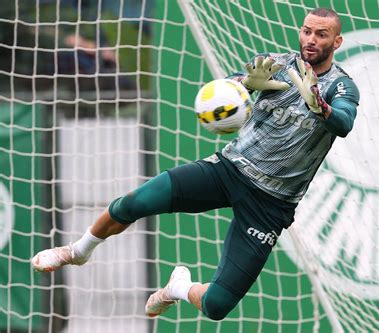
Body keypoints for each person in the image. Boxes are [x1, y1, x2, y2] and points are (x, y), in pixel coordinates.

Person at [31, 8, 359, 321]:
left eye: (321, 34)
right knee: (135, 202)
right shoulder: (276, 64)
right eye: (306, 31)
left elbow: (343, 122)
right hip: (228, 169)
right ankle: (77, 251)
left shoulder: (340, 86)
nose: (311, 39)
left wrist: (321, 108)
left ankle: (178, 287)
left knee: (217, 305)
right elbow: (227, 89)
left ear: (337, 42)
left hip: (272, 203)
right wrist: (245, 84)